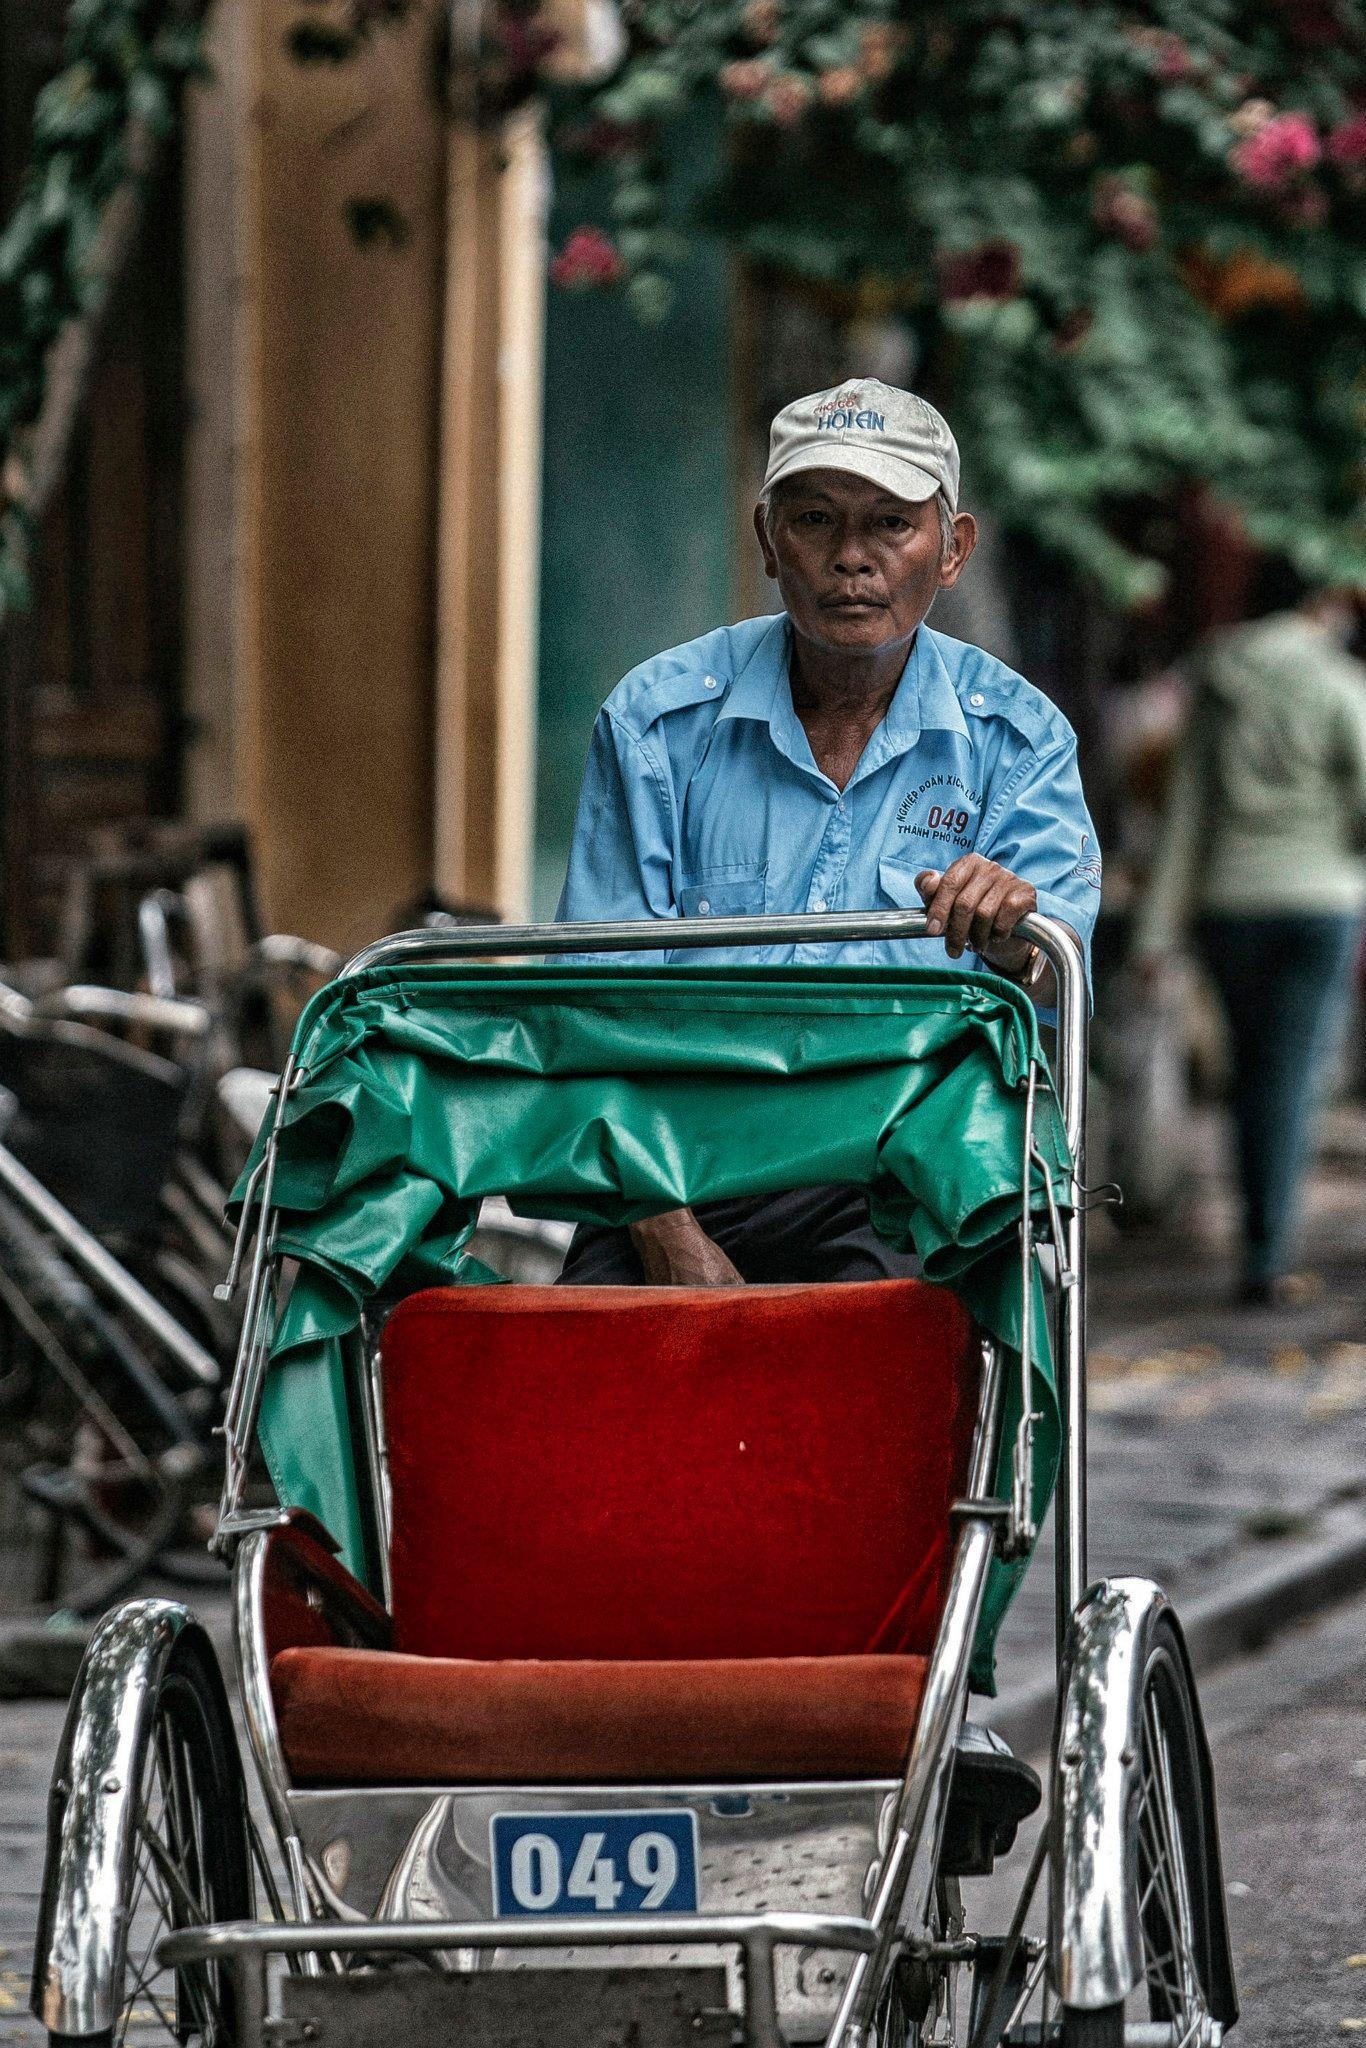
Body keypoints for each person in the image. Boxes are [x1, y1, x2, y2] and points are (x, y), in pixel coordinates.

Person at [554, 377, 1101, 1285]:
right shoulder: (655, 724)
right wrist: (669, 1236)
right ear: (769, 541)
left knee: (908, 1371)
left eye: (892, 523)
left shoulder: (1018, 739)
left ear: (954, 549)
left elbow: (1056, 988)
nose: (854, 558)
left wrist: (1015, 941)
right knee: (588, 1392)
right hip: (677, 1167)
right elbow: (593, 1015)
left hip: (903, 1177)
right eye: (815, 521)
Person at [1133, 589, 1366, 1306]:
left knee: (1249, 1076)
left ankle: (1259, 1245)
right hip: (1319, 903)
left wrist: (1155, 932)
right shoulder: (1339, 683)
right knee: (1292, 1076)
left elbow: (1188, 815)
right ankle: (1268, 1254)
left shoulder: (1217, 683)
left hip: (1228, 906)